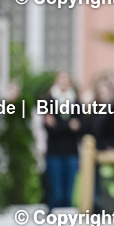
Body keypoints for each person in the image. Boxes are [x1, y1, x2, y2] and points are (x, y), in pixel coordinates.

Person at [41, 71, 82, 211]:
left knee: (68, 195)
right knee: (56, 194)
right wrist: (69, 126)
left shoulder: (76, 101)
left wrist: (59, 125)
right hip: (54, 152)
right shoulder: (48, 101)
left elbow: (80, 126)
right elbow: (50, 128)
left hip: (71, 152)